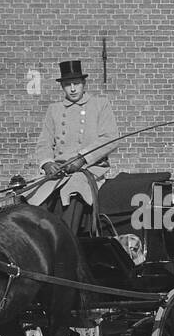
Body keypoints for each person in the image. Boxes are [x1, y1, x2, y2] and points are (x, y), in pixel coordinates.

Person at [30, 59, 119, 235]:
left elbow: (110, 138)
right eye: (67, 84)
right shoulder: (54, 109)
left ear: (84, 84)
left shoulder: (100, 105)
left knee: (74, 190)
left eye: (76, 84)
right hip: (59, 170)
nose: (72, 89)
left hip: (89, 168)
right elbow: (44, 142)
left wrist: (82, 158)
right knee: (32, 192)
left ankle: (66, 241)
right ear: (62, 86)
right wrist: (47, 163)